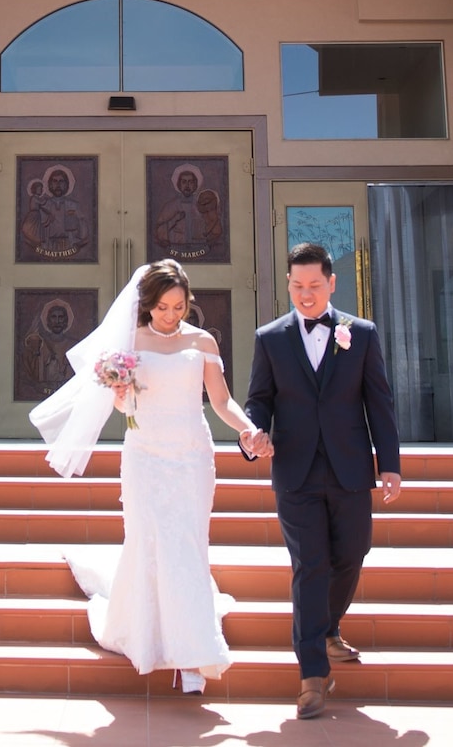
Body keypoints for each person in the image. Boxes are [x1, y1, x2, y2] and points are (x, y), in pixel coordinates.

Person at [28, 259, 269, 696]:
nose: (171, 315)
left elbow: (221, 401)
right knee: (149, 542)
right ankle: (146, 636)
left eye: (178, 306)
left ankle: (193, 654)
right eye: (162, 307)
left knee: (189, 545)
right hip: (145, 456)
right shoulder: (129, 344)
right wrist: (120, 394)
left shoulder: (203, 341)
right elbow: (126, 409)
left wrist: (247, 429)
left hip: (192, 455)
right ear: (147, 305)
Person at [244, 241, 402, 720]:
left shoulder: (362, 333)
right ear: (288, 284)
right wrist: (253, 433)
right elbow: (259, 400)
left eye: (314, 285)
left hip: (351, 466)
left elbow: (379, 402)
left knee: (352, 552)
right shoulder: (270, 337)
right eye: (297, 286)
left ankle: (328, 627)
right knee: (309, 564)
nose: (305, 294)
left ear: (332, 284)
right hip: (295, 470)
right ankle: (312, 675)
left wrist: (389, 463)